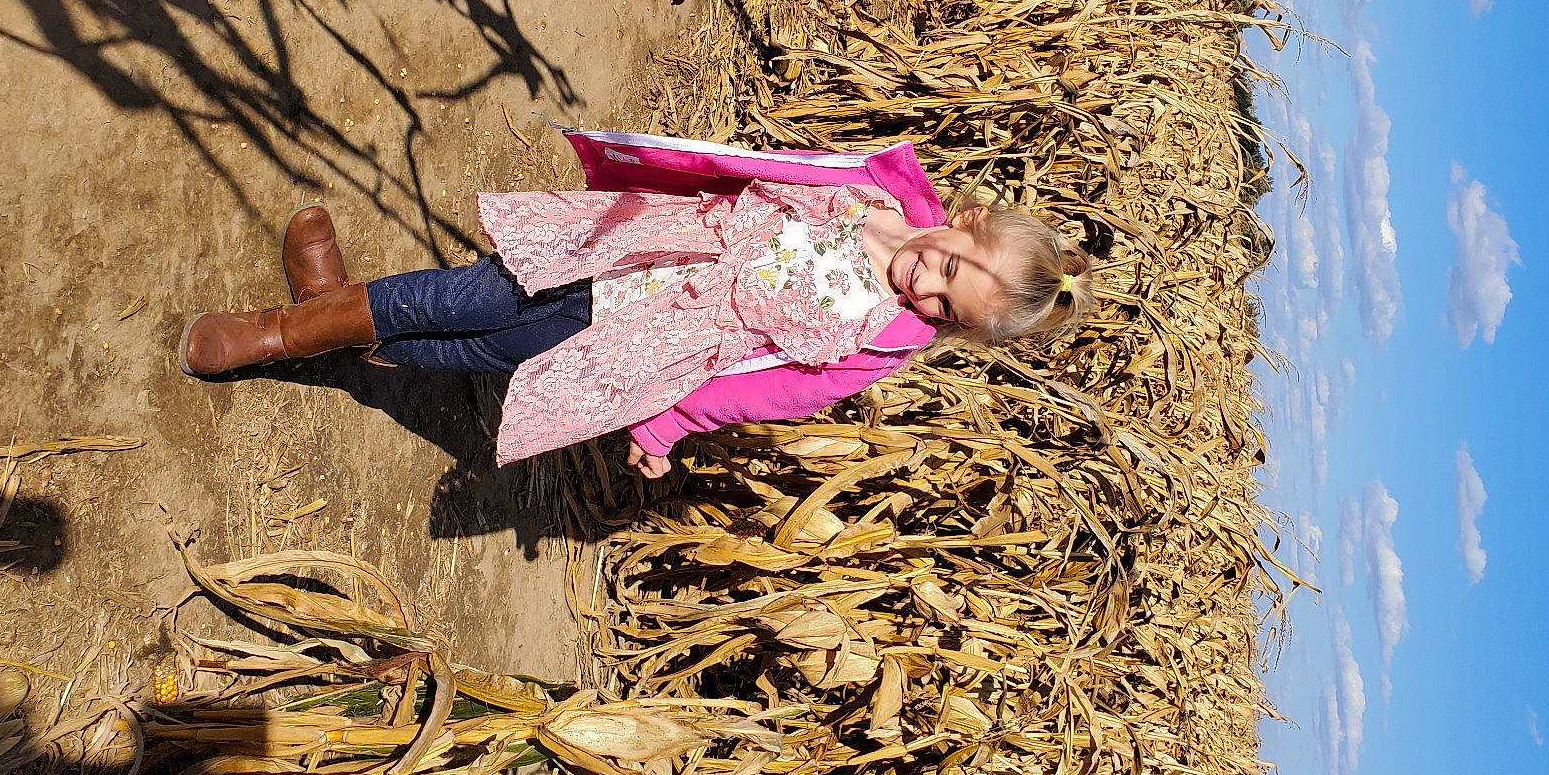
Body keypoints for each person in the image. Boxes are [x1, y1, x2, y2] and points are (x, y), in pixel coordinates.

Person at [179, 128, 1093, 474]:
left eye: (944, 314)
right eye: (945, 272)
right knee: (466, 290)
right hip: (631, 244)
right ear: (962, 221)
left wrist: (663, 430)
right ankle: (278, 332)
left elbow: (757, 391)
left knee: (477, 352)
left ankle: (339, 328)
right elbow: (758, 171)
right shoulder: (874, 189)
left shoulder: (878, 342)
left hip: (638, 342)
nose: (923, 291)